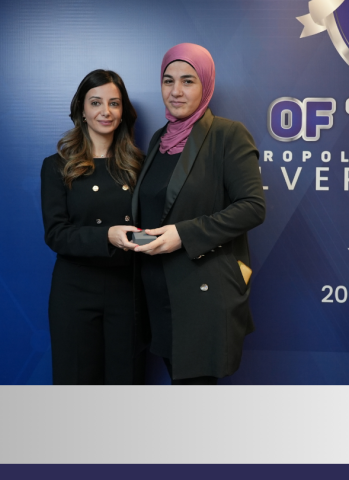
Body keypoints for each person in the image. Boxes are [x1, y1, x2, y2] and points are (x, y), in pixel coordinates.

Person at [131, 43, 266, 384]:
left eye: (188, 81)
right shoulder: (160, 139)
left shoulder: (227, 134)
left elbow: (253, 207)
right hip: (159, 294)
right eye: (168, 80)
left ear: (206, 85)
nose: (175, 91)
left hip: (203, 294)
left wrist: (184, 234)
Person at [41, 69, 145, 385]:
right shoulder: (57, 166)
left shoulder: (140, 165)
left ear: (123, 111)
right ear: (82, 110)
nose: (105, 111)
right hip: (75, 291)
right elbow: (56, 234)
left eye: (114, 103)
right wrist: (107, 235)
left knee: (126, 382)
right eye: (96, 102)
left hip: (128, 290)